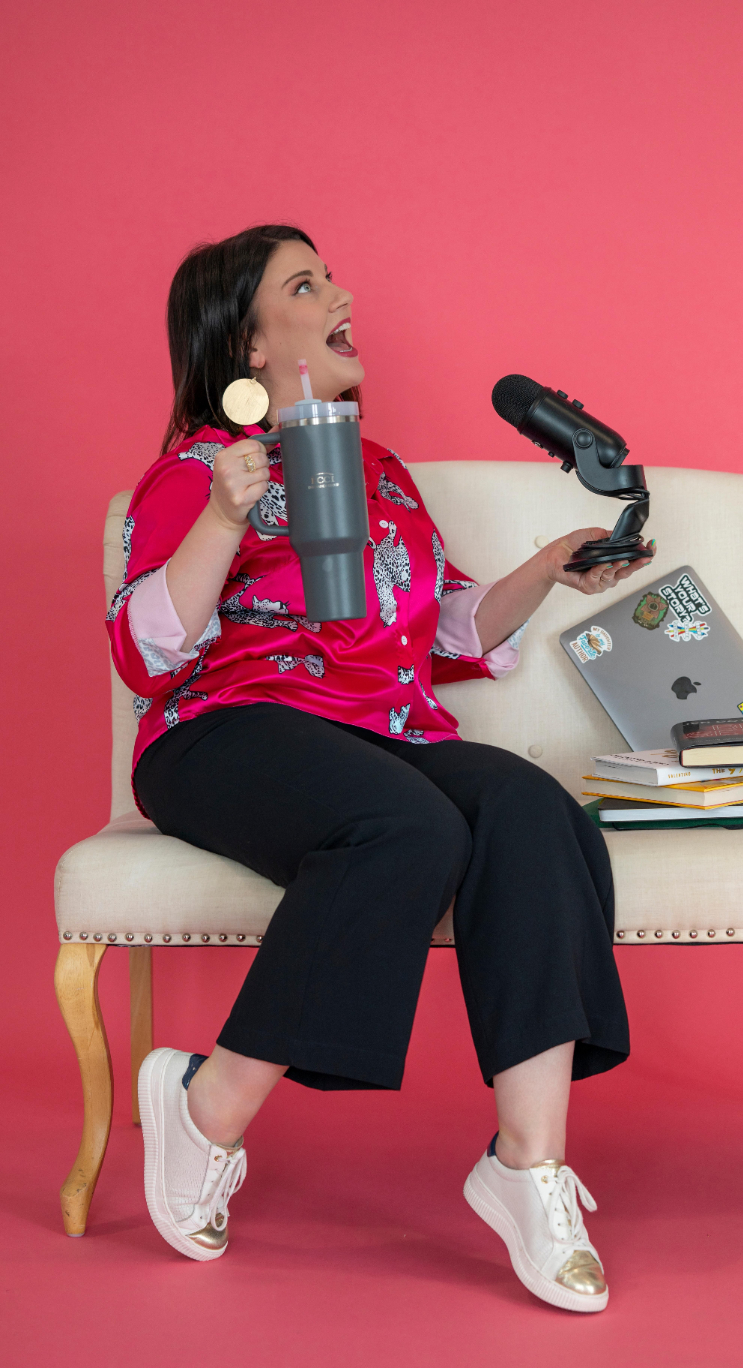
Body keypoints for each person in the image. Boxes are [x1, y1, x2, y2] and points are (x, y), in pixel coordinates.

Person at [110, 224, 654, 1313]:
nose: (342, 295)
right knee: (410, 828)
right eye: (306, 285)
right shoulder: (196, 471)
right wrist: (222, 513)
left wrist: (549, 567)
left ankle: (527, 1165)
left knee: (530, 809)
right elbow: (144, 649)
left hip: (381, 732)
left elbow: (443, 629)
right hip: (225, 731)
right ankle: (208, 1104)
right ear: (249, 345)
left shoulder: (381, 473)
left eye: (330, 277)